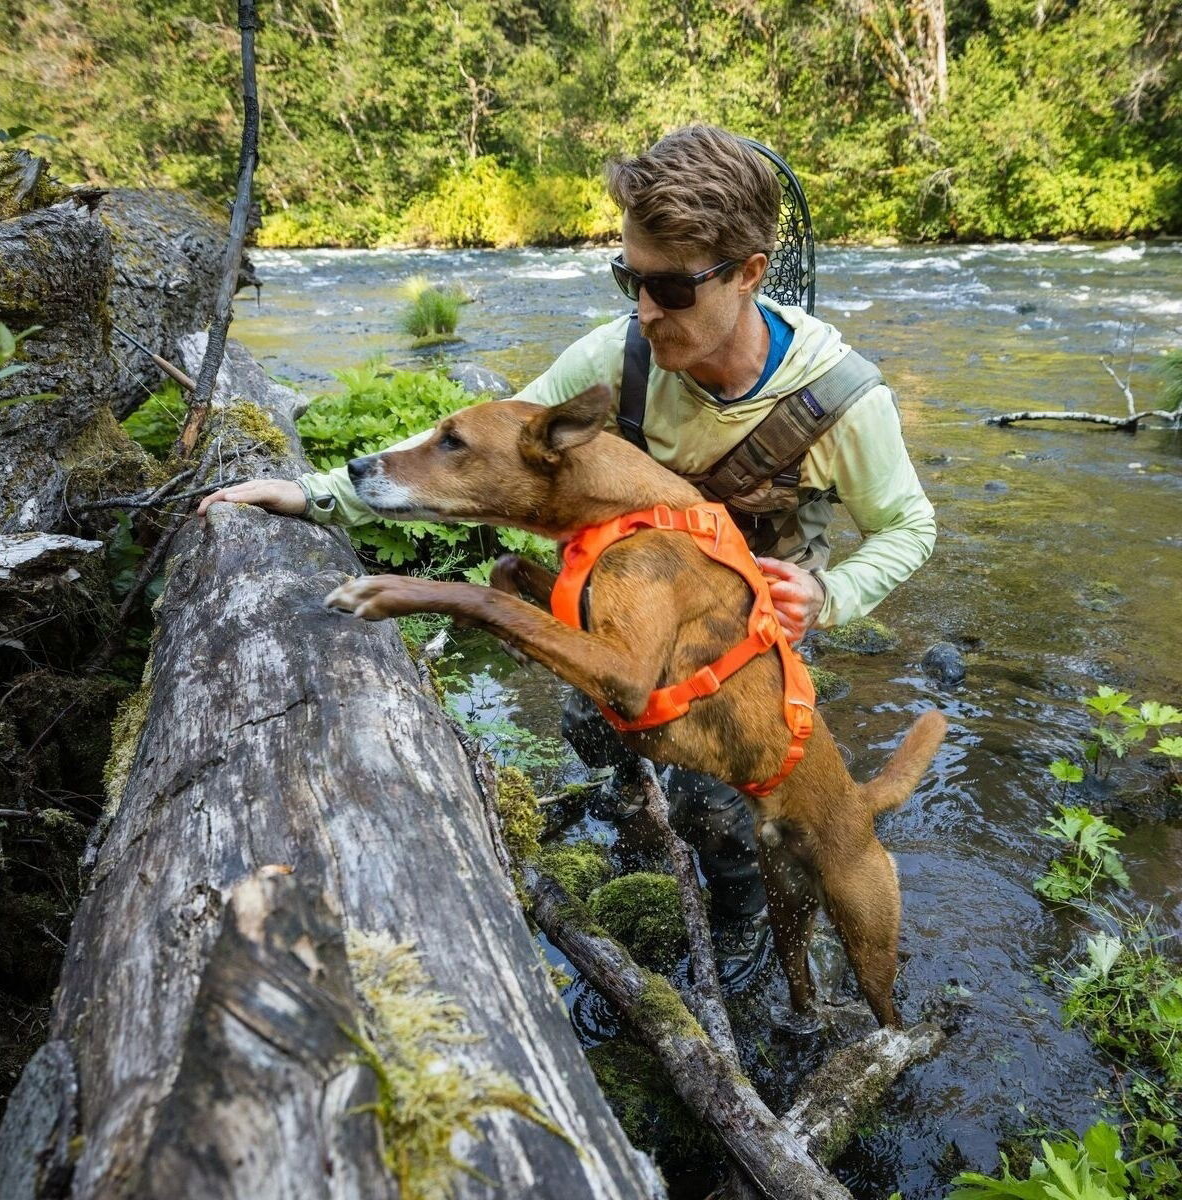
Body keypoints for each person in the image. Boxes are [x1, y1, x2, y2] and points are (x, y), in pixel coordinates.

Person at [200, 124, 936, 988]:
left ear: (748, 272)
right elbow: (478, 452)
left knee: (722, 810)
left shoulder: (841, 399)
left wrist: (830, 591)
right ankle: (636, 814)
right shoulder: (614, 358)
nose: (646, 311)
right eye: (630, 279)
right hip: (634, 595)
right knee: (593, 724)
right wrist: (316, 493)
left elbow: (909, 526)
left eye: (670, 287)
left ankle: (738, 921)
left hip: (746, 633)